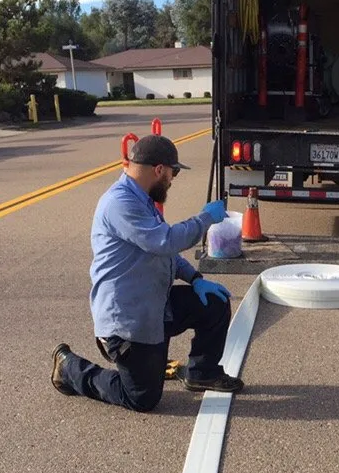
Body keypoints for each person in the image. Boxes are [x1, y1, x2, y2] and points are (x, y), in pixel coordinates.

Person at [50, 133, 243, 412]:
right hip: (128, 324)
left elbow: (163, 253)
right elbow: (165, 240)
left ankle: (202, 373)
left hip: (154, 307)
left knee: (213, 303)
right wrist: (206, 218)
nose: (173, 180)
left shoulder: (141, 200)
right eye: (173, 172)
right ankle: (69, 368)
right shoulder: (120, 203)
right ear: (159, 170)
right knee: (142, 398)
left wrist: (195, 278)